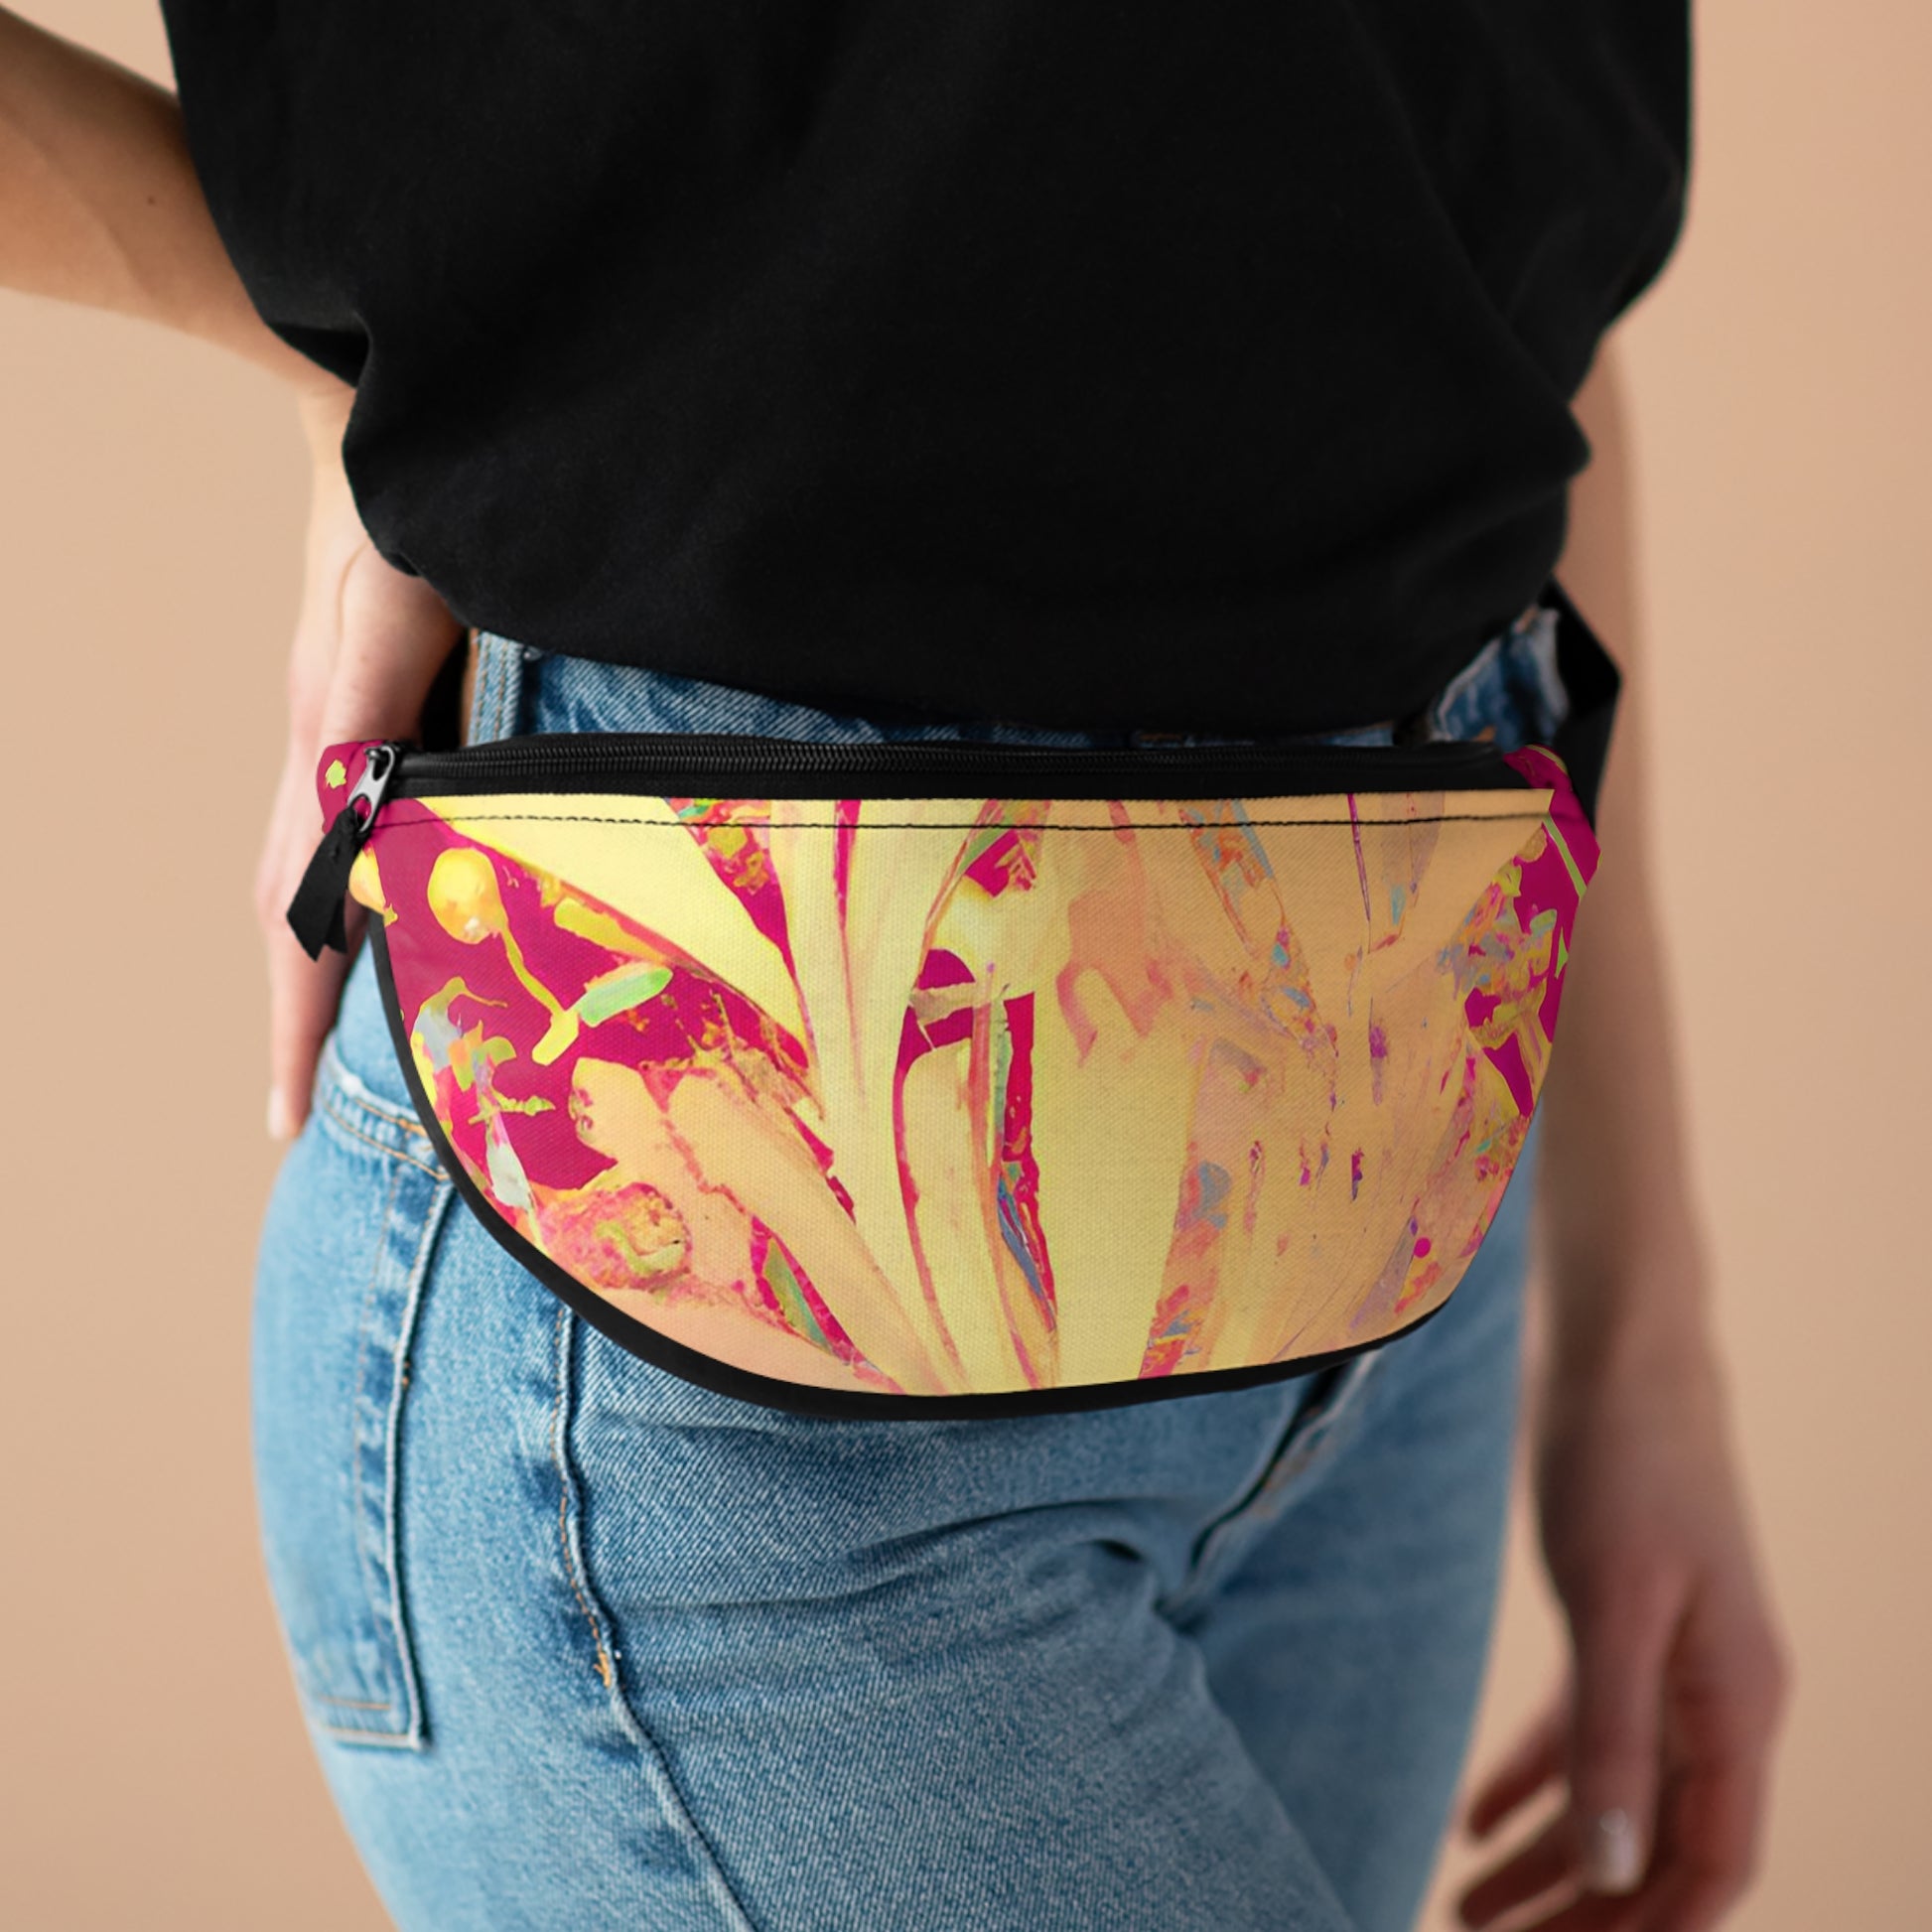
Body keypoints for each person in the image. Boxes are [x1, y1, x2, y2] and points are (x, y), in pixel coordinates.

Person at [0, 8, 1789, 1928]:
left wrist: (1641, 1332)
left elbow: (1504, 274)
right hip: (725, 1333)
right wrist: (347, 376)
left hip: (1401, 1182)